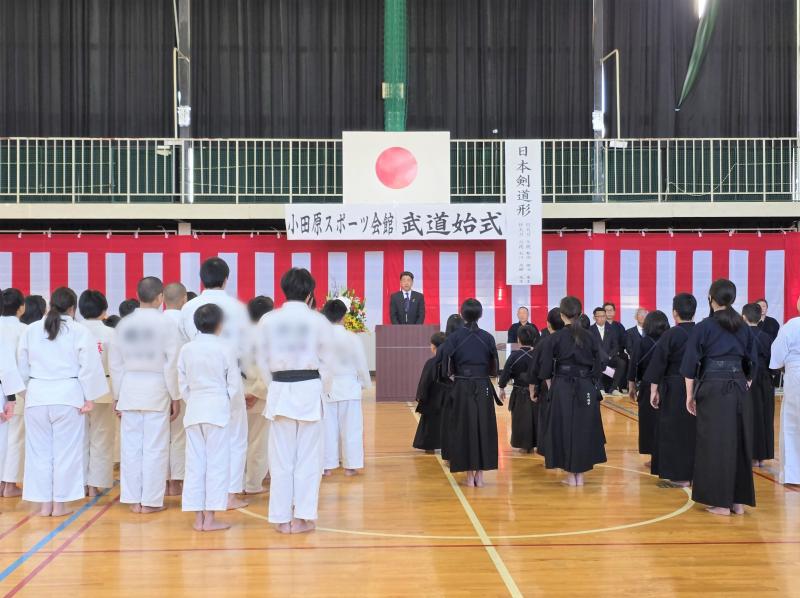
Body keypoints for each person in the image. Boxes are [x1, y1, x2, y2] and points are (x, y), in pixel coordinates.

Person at [255, 268, 333, 534]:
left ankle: (280, 518)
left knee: (280, 459)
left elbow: (261, 360)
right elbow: (329, 361)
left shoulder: (268, 320)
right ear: (310, 293)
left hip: (280, 389)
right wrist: (322, 388)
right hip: (310, 388)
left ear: (283, 290)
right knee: (309, 459)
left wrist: (272, 385)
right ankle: (302, 518)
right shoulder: (319, 321)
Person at [17, 287, 108, 517]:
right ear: (72, 308)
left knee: (39, 453)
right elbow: (89, 367)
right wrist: (90, 398)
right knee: (66, 452)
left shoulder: (32, 330)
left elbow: (22, 366)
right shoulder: (79, 331)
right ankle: (59, 504)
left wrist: (28, 392)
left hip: (37, 394)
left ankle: (44, 504)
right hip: (67, 396)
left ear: (51, 307)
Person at [680, 279, 757, 516]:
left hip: (713, 389)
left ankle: (721, 503)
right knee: (739, 442)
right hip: (739, 389)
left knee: (714, 444)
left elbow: (690, 365)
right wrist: (744, 383)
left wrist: (689, 396)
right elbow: (753, 364)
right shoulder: (743, 327)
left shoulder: (703, 327)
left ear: (711, 299)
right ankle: (738, 502)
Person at [182, 258, 250, 509]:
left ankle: (201, 501)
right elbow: (246, 349)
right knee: (234, 439)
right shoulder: (237, 308)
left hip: (198, 385)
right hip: (229, 380)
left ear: (202, 279)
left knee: (198, 450)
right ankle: (229, 494)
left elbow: (184, 345)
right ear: (226, 279)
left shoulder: (189, 308)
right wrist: (248, 385)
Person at [109, 277, 181, 514]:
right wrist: (175, 395)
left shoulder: (124, 324)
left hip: (129, 386)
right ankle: (150, 500)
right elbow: (172, 364)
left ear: (138, 295)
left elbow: (115, 363)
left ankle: (132, 498)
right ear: (160, 297)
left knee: (131, 447)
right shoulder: (166, 325)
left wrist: (117, 395)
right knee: (155, 446)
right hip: (157, 387)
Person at [179, 303, 240, 532]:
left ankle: (198, 518)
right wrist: (224, 401)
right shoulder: (225, 348)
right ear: (219, 325)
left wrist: (193, 399)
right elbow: (233, 384)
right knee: (216, 464)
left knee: (195, 464)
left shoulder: (187, 349)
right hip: (217, 409)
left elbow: (182, 384)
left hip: (195, 407)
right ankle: (210, 518)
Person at [539, 296, 607, 486]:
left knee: (564, 427)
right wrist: (590, 380)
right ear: (580, 314)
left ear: (562, 315)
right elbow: (601, 363)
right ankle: (581, 475)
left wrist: (552, 387)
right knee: (584, 427)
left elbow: (545, 369)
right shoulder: (591, 336)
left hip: (561, 385)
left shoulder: (555, 337)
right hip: (585, 384)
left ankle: (571, 475)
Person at [438, 299, 500, 487]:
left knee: (463, 428)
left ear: (462, 314)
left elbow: (445, 368)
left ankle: (469, 476)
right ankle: (480, 476)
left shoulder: (454, 338)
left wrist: (456, 377)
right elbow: (494, 367)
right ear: (480, 315)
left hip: (462, 386)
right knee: (483, 427)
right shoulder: (488, 337)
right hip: (483, 385)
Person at [644, 293, 697, 487]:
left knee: (675, 431)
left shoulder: (672, 334)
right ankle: (696, 474)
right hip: (700, 386)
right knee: (696, 431)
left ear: (675, 313)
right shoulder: (702, 331)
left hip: (675, 387)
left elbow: (659, 363)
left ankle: (680, 477)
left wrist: (653, 390)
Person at [321, 298, 371, 476]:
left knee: (327, 428)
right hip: (349, 386)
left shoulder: (321, 337)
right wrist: (365, 383)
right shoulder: (351, 337)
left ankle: (326, 466)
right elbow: (361, 363)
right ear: (343, 316)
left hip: (327, 386)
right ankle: (351, 466)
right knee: (352, 428)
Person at [77, 290, 116, 496]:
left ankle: (80, 483)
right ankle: (95, 485)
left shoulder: (74, 330)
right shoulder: (110, 333)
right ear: (104, 310)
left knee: (80, 437)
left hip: (78, 391)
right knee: (101, 436)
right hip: (104, 388)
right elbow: (117, 366)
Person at [628, 310, 669, 461]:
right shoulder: (670, 340)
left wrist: (631, 387)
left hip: (646, 386)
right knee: (665, 420)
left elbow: (634, 365)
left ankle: (653, 457)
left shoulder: (642, 342)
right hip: (666, 385)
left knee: (649, 422)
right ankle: (665, 455)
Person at [242, 296, 273, 494]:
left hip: (239, 396)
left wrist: (243, 393)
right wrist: (257, 392)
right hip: (260, 396)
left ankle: (237, 482)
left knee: (239, 441)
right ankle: (253, 484)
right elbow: (268, 369)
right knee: (258, 443)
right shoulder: (266, 338)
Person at [769, 295, 800, 485]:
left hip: (796, 375)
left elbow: (777, 355)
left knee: (791, 423)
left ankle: (793, 474)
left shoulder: (791, 326)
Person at [0, 288, 27, 498]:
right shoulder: (24, 330)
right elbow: (15, 365)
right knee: (14, 438)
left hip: (8, 387)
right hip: (15, 388)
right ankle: (8, 485)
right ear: (21, 307)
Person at [528, 307, 565, 459]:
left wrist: (532, 390)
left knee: (547, 419)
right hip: (569, 385)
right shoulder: (576, 339)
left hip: (548, 387)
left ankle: (548, 452)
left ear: (548, 324)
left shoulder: (544, 343)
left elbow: (535, 369)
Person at [162, 282, 189, 496]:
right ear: (184, 300)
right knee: (180, 435)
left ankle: (162, 480)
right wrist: (176, 394)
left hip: (157, 385)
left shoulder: (157, 321)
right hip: (180, 385)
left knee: (160, 436)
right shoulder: (186, 322)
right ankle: (177, 482)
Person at [743, 302, 775, 468]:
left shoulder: (741, 336)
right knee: (764, 416)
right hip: (765, 379)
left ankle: (750, 455)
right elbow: (773, 362)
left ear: (743, 317)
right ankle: (762, 456)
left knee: (749, 415)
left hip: (747, 378)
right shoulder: (767, 337)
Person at [499, 325, 537, 453]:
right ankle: (534, 444)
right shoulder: (538, 355)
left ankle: (522, 445)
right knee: (535, 418)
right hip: (536, 393)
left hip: (519, 392)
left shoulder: (514, 356)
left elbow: (505, 373)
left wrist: (502, 388)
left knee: (520, 419)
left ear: (518, 339)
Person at [412, 332, 448, 453]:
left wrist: (420, 397)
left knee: (430, 424)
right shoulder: (451, 361)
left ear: (434, 347)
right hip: (448, 399)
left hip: (433, 400)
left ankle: (430, 446)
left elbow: (425, 382)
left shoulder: (431, 362)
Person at [439, 314, 464, 462]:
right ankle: (461, 453)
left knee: (448, 422)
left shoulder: (443, 346)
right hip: (463, 388)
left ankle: (448, 455)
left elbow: (441, 370)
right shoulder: (465, 342)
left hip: (448, 389)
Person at [590, 307, 623, 395]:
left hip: (609, 357)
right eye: (599, 316)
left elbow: (615, 346)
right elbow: (590, 347)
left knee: (621, 362)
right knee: (595, 362)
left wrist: (609, 356)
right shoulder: (590, 330)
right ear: (594, 317)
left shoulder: (612, 329)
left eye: (603, 316)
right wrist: (600, 357)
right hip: (596, 358)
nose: (601, 318)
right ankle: (600, 387)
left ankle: (613, 388)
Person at [604, 302, 629, 391]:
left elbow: (625, 340)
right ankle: (608, 386)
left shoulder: (619, 326)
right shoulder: (600, 326)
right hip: (604, 355)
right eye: (606, 310)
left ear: (614, 312)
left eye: (611, 310)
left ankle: (621, 386)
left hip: (617, 354)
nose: (609, 312)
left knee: (626, 358)